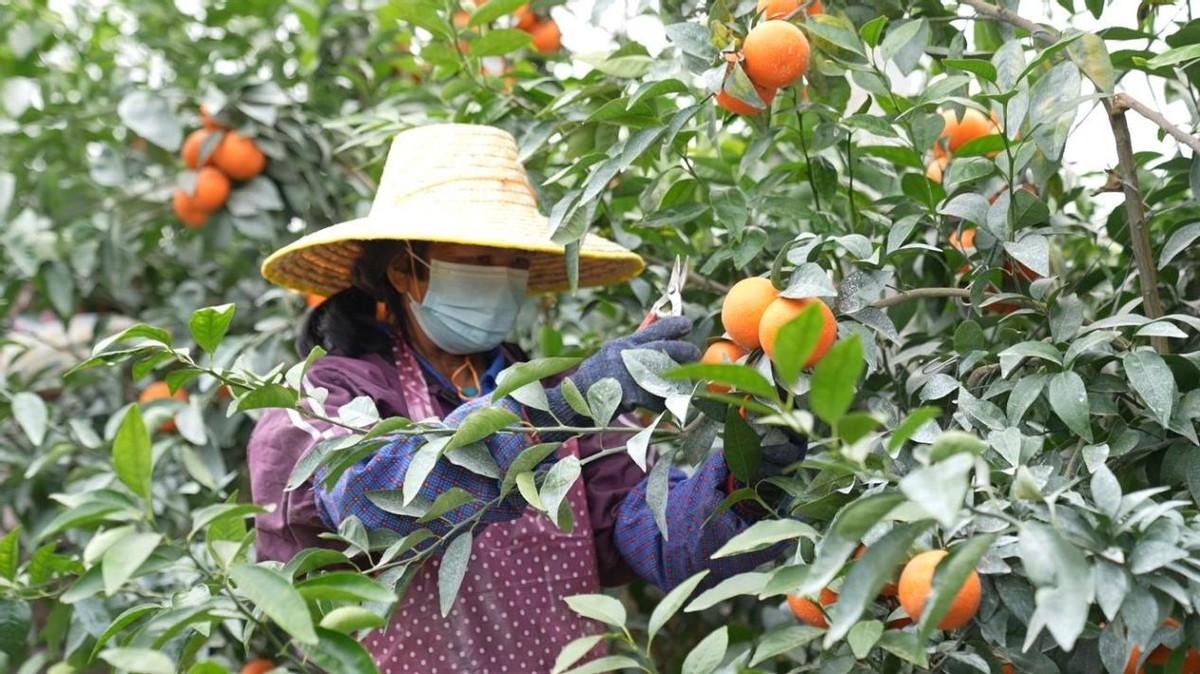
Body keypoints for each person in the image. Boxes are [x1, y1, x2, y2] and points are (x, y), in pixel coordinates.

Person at [248, 124, 805, 674]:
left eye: (513, 262)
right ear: (404, 270)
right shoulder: (324, 396)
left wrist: (743, 478)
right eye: (480, 259)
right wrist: (559, 405)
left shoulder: (552, 398)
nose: (503, 278)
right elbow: (369, 507)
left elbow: (653, 539)